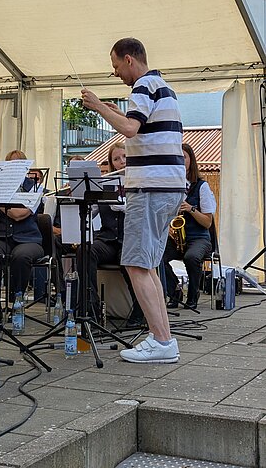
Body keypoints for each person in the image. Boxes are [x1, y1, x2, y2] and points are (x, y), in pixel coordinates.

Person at [82, 37, 185, 364]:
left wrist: (99, 106)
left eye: (115, 65)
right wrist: (115, 111)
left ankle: (162, 340)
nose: (115, 73)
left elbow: (129, 128)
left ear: (129, 59)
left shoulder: (142, 86)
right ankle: (163, 338)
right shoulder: (162, 87)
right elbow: (140, 128)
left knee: (136, 264)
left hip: (150, 187)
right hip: (168, 187)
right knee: (147, 264)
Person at [85, 143, 144, 326]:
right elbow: (92, 211)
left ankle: (140, 310)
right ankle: (91, 307)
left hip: (130, 239)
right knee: (86, 250)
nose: (122, 162)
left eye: (125, 157)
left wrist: (124, 207)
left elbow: (144, 212)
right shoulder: (105, 184)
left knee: (127, 259)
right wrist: (86, 202)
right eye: (116, 159)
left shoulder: (139, 182)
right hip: (108, 239)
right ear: (112, 163)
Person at [0, 150, 44, 299]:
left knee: (21, 256)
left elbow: (19, 215)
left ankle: (16, 298)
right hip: (2, 237)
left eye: (18, 164)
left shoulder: (35, 187)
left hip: (29, 239)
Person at [163, 143, 216, 309]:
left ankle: (193, 295)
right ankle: (174, 291)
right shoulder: (171, 187)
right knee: (156, 256)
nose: (180, 161)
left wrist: (190, 209)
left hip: (199, 238)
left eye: (183, 157)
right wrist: (169, 227)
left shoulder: (202, 186)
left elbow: (207, 222)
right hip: (177, 238)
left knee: (191, 257)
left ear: (190, 160)